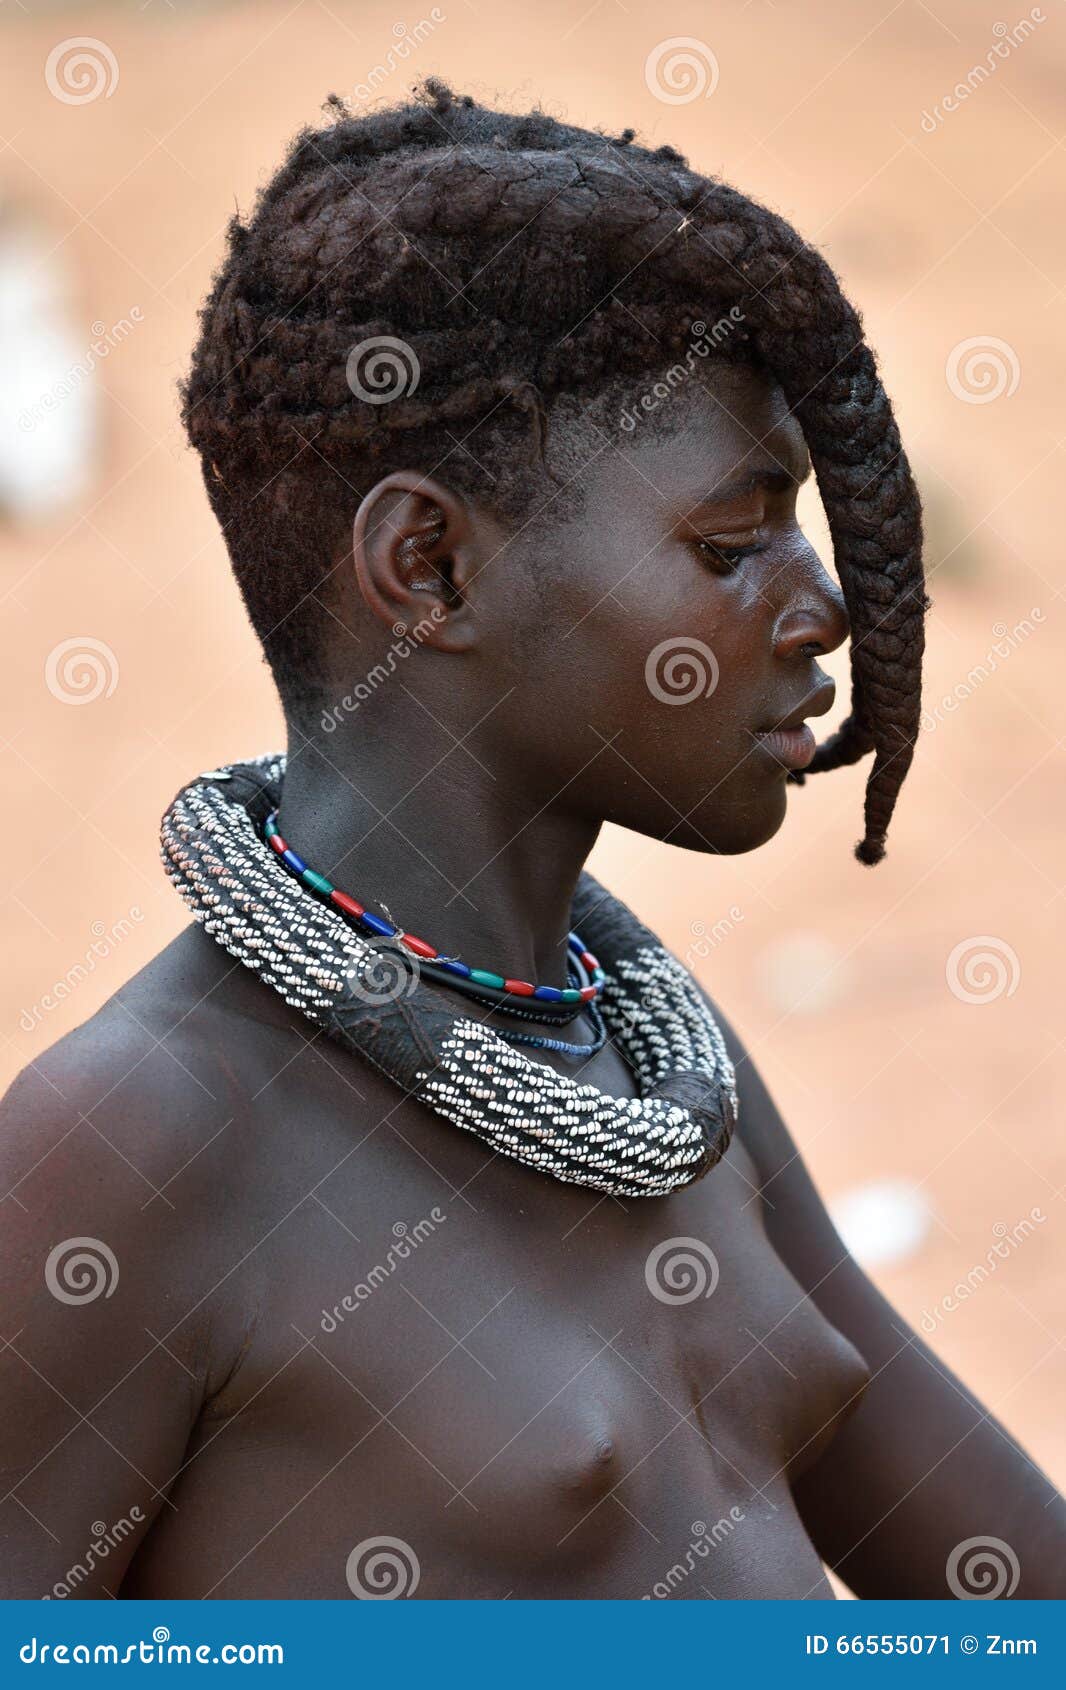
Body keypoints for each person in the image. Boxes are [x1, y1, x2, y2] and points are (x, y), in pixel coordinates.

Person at [2, 80, 1062, 1601]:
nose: (821, 606)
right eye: (729, 540)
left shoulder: (652, 1070)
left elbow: (1015, 1598)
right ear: (428, 565)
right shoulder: (139, 1137)